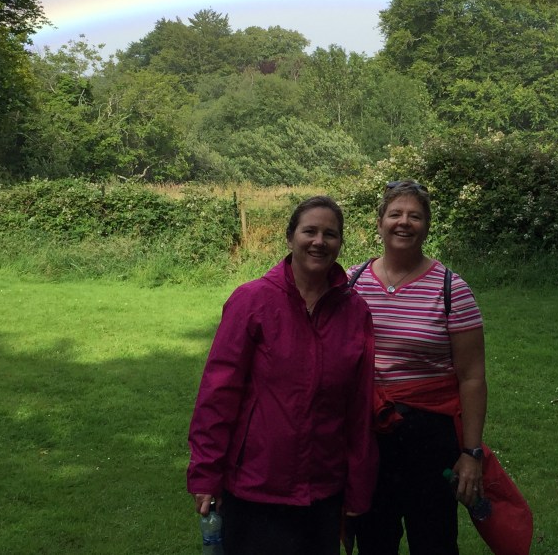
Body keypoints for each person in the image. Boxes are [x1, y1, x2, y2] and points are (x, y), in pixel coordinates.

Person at [187, 195, 378, 555]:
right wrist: (206, 474)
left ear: (340, 244)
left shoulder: (355, 312)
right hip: (256, 486)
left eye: (330, 234)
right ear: (290, 238)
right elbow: (218, 394)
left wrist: (358, 485)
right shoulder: (252, 301)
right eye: (310, 231)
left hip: (323, 489)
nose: (319, 241)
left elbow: (359, 407)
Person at [349, 180, 487, 555]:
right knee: (374, 539)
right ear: (379, 223)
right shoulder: (351, 283)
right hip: (369, 433)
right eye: (395, 214)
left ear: (426, 226)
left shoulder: (451, 289)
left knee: (434, 541)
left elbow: (472, 377)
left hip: (430, 437)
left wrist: (471, 454)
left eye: (415, 216)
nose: (403, 222)